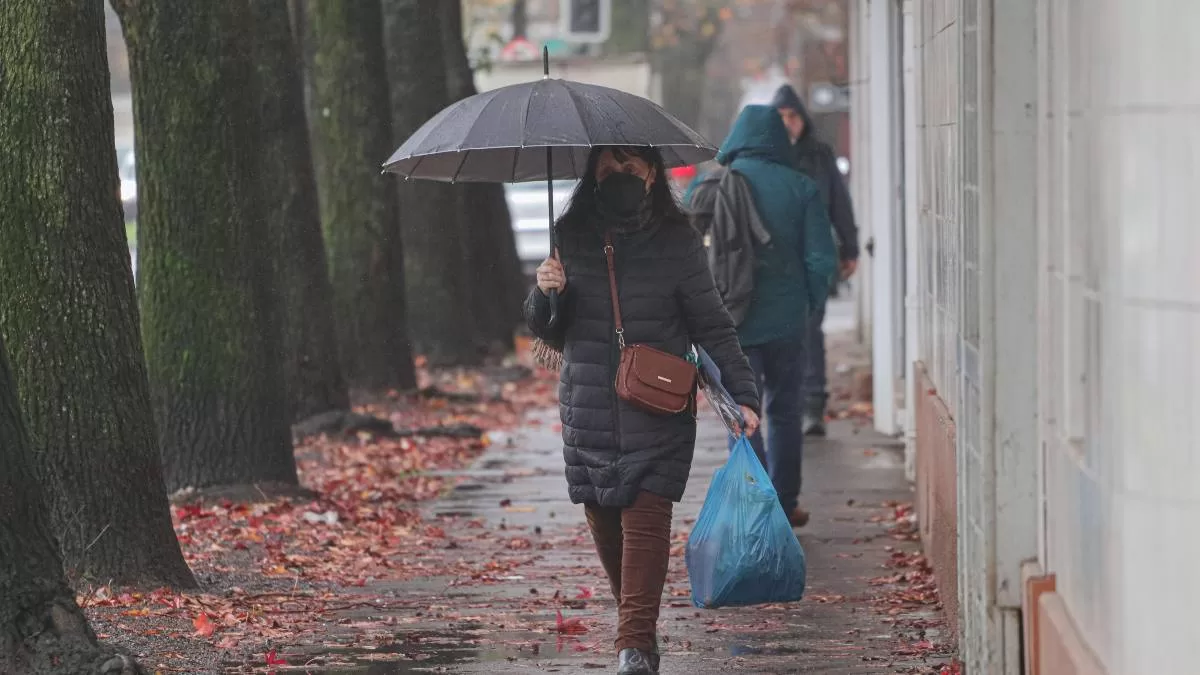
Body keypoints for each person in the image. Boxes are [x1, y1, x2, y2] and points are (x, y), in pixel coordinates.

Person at [524, 146, 761, 675]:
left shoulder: (677, 240)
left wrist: (742, 394)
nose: (621, 175)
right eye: (610, 166)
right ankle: (640, 633)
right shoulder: (570, 233)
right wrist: (546, 295)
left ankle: (633, 647)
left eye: (632, 166)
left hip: (658, 404)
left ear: (653, 174)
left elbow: (712, 322)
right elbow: (546, 328)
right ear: (593, 174)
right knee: (606, 522)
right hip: (588, 407)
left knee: (646, 521)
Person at [702, 105, 838, 528]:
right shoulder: (801, 187)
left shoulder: (711, 186)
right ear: (777, 139)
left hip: (729, 324)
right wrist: (808, 305)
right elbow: (820, 258)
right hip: (785, 323)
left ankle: (755, 508)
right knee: (784, 411)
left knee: (741, 415)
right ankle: (786, 500)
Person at [770, 84, 861, 436]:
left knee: (810, 329)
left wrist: (850, 247)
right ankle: (787, 402)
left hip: (815, 257)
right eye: (782, 118)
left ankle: (813, 404)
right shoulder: (768, 156)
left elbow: (839, 201)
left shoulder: (819, 155)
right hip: (777, 261)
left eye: (793, 116)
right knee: (783, 334)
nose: (789, 123)